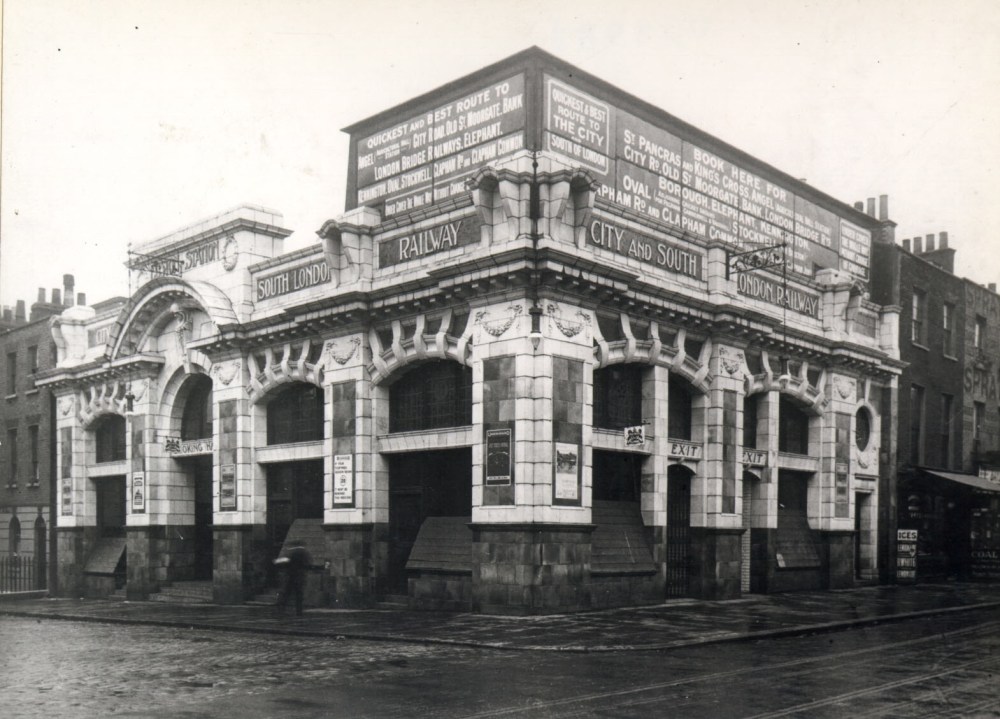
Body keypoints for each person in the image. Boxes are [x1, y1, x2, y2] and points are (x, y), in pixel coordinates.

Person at [274, 539, 312, 616]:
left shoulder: (291, 552)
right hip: (300, 576)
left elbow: (283, 561)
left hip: (290, 576)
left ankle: (280, 610)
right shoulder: (305, 553)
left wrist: (276, 561)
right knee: (299, 595)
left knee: (286, 593)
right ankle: (299, 611)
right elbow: (308, 563)